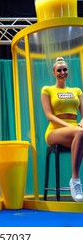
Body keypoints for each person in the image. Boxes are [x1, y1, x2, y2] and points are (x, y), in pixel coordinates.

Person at [41, 56, 83, 202]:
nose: (62, 72)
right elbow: (49, 116)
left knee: (80, 133)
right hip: (54, 131)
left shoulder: (77, 91)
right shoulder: (47, 89)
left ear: (68, 71)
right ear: (54, 73)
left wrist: (81, 122)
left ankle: (75, 180)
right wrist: (71, 126)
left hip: (75, 131)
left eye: (64, 69)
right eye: (59, 70)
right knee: (80, 132)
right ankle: (75, 179)